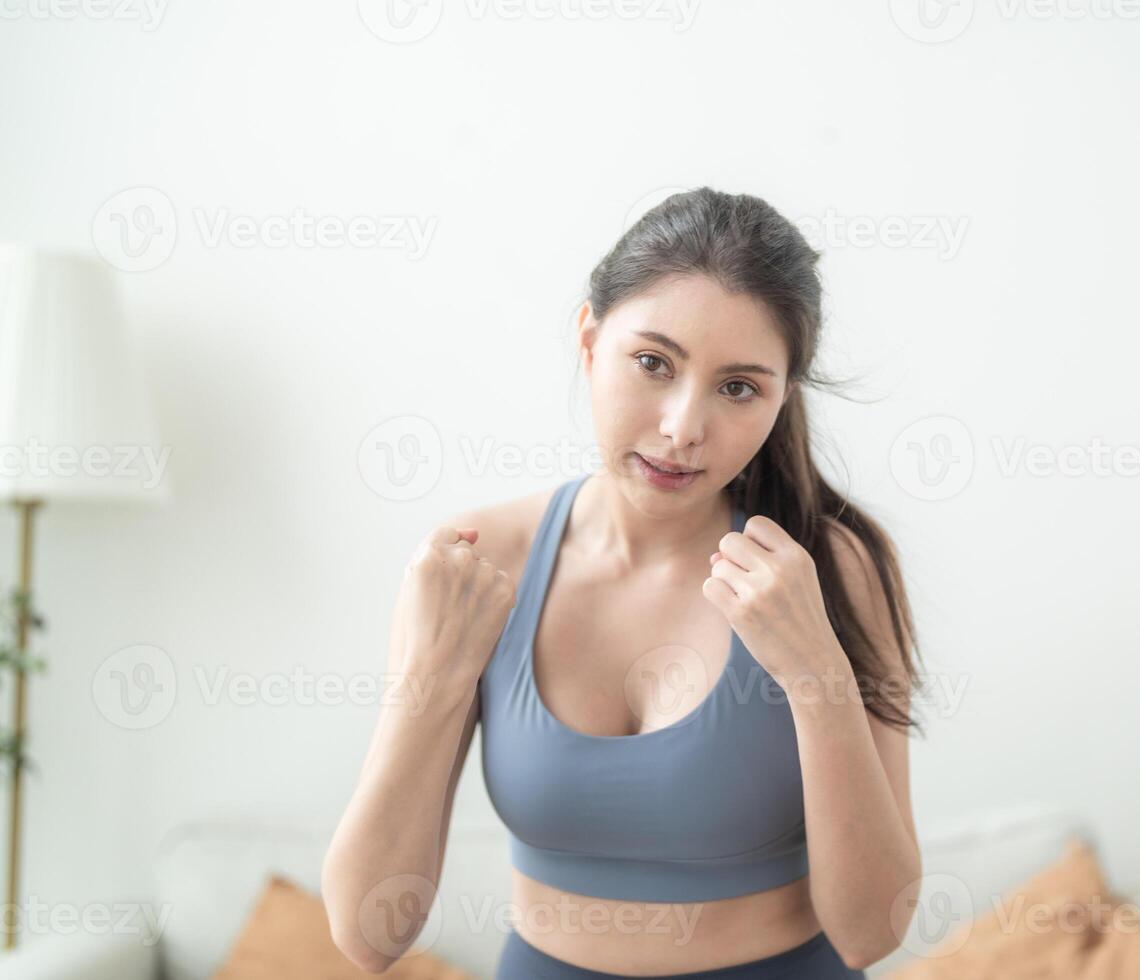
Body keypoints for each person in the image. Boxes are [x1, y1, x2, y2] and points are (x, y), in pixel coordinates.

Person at [324, 187, 926, 978]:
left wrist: (817, 674)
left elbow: (869, 934)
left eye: (738, 387)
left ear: (782, 399)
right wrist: (435, 677)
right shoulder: (477, 563)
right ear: (589, 339)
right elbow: (371, 936)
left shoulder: (827, 569)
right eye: (653, 363)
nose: (683, 427)